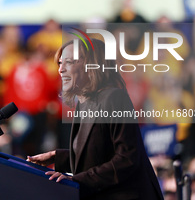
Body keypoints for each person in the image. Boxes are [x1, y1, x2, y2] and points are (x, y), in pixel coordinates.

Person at [27, 38, 164, 200]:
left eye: (69, 62)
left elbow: (127, 158)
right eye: (60, 63)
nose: (61, 70)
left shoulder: (114, 98)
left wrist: (77, 180)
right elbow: (98, 153)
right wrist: (57, 157)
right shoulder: (84, 103)